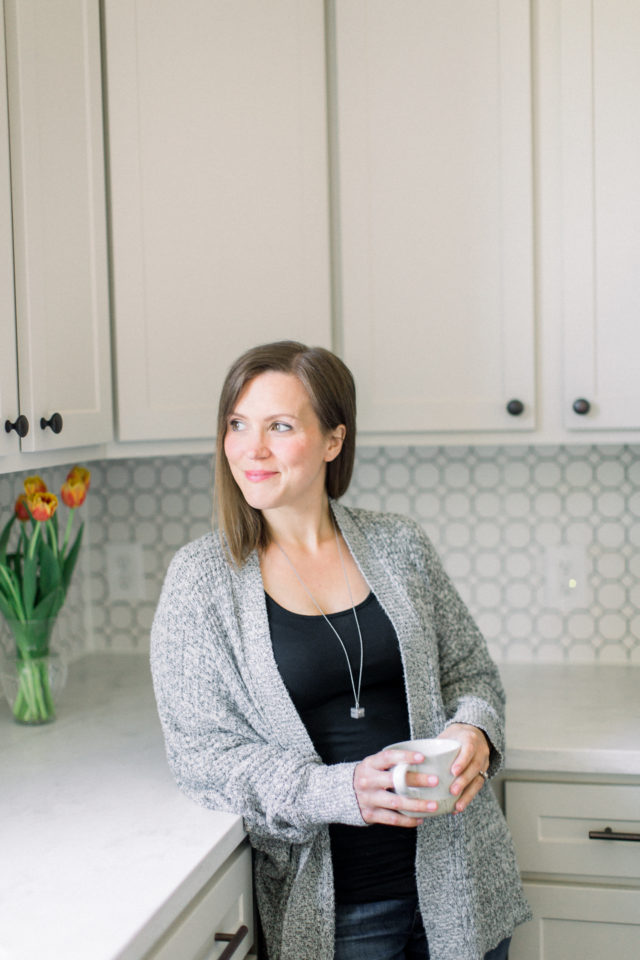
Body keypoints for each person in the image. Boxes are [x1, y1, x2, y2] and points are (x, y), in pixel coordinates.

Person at [151, 340, 531, 960]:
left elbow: (471, 672)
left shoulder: (399, 544)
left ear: (333, 440)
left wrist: (474, 733)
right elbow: (202, 755)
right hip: (339, 913)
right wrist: (339, 791)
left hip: (461, 884)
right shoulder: (201, 580)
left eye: (280, 426)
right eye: (237, 425)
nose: (253, 449)